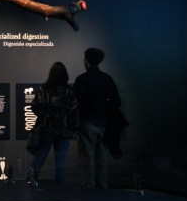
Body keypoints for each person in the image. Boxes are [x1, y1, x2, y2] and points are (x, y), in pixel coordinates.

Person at [73, 47, 122, 189]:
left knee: (86, 157)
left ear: (87, 61)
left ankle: (88, 188)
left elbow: (76, 103)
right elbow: (117, 102)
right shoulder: (107, 79)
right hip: (104, 124)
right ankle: (102, 187)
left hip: (87, 123)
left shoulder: (82, 79)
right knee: (101, 158)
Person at [27, 62, 80, 186]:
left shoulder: (44, 88)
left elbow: (35, 106)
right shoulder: (69, 91)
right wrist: (74, 128)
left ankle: (31, 182)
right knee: (61, 161)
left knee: (39, 158)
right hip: (64, 130)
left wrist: (44, 116)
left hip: (46, 128)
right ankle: (60, 187)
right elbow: (74, 111)